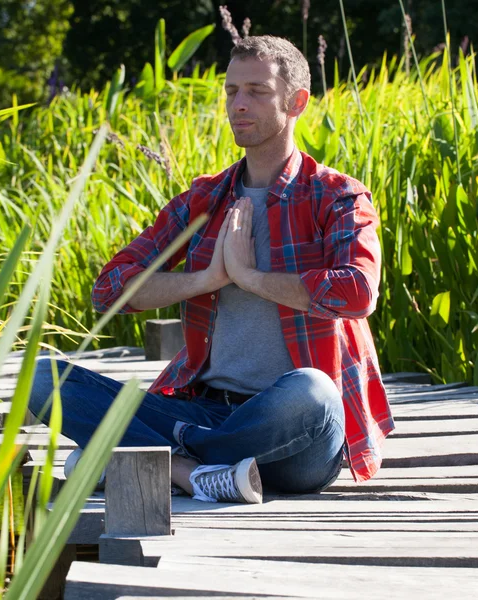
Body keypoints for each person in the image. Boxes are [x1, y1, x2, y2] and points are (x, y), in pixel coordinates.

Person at [29, 35, 394, 505]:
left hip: (294, 434)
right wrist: (207, 280)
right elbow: (109, 289)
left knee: (314, 390)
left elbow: (359, 291)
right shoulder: (204, 199)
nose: (238, 105)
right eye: (231, 91)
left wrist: (250, 277)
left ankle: (148, 457)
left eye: (256, 92)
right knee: (41, 379)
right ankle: (193, 469)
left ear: (296, 101)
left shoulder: (337, 196)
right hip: (203, 411)